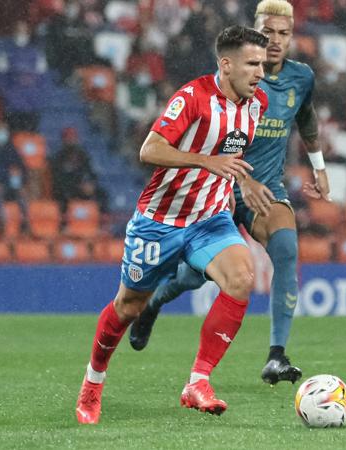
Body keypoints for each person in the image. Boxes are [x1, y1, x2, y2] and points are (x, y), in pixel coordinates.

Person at [128, 0, 331, 385]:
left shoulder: (300, 78)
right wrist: (239, 179)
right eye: (267, 32)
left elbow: (306, 116)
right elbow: (215, 141)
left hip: (264, 186)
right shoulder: (227, 80)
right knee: (191, 278)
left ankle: (276, 355)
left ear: (292, 37)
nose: (274, 41)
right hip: (214, 189)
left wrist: (319, 166)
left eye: (283, 34)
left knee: (287, 249)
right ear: (253, 32)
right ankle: (153, 303)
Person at [76, 25, 269, 424]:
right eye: (252, 64)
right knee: (128, 306)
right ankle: (92, 384)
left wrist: (244, 181)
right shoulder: (193, 97)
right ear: (226, 64)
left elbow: (232, 158)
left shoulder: (257, 104)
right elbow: (150, 149)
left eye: (263, 65)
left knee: (241, 278)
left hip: (211, 218)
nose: (260, 73)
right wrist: (205, 160)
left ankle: (198, 382)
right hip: (160, 222)